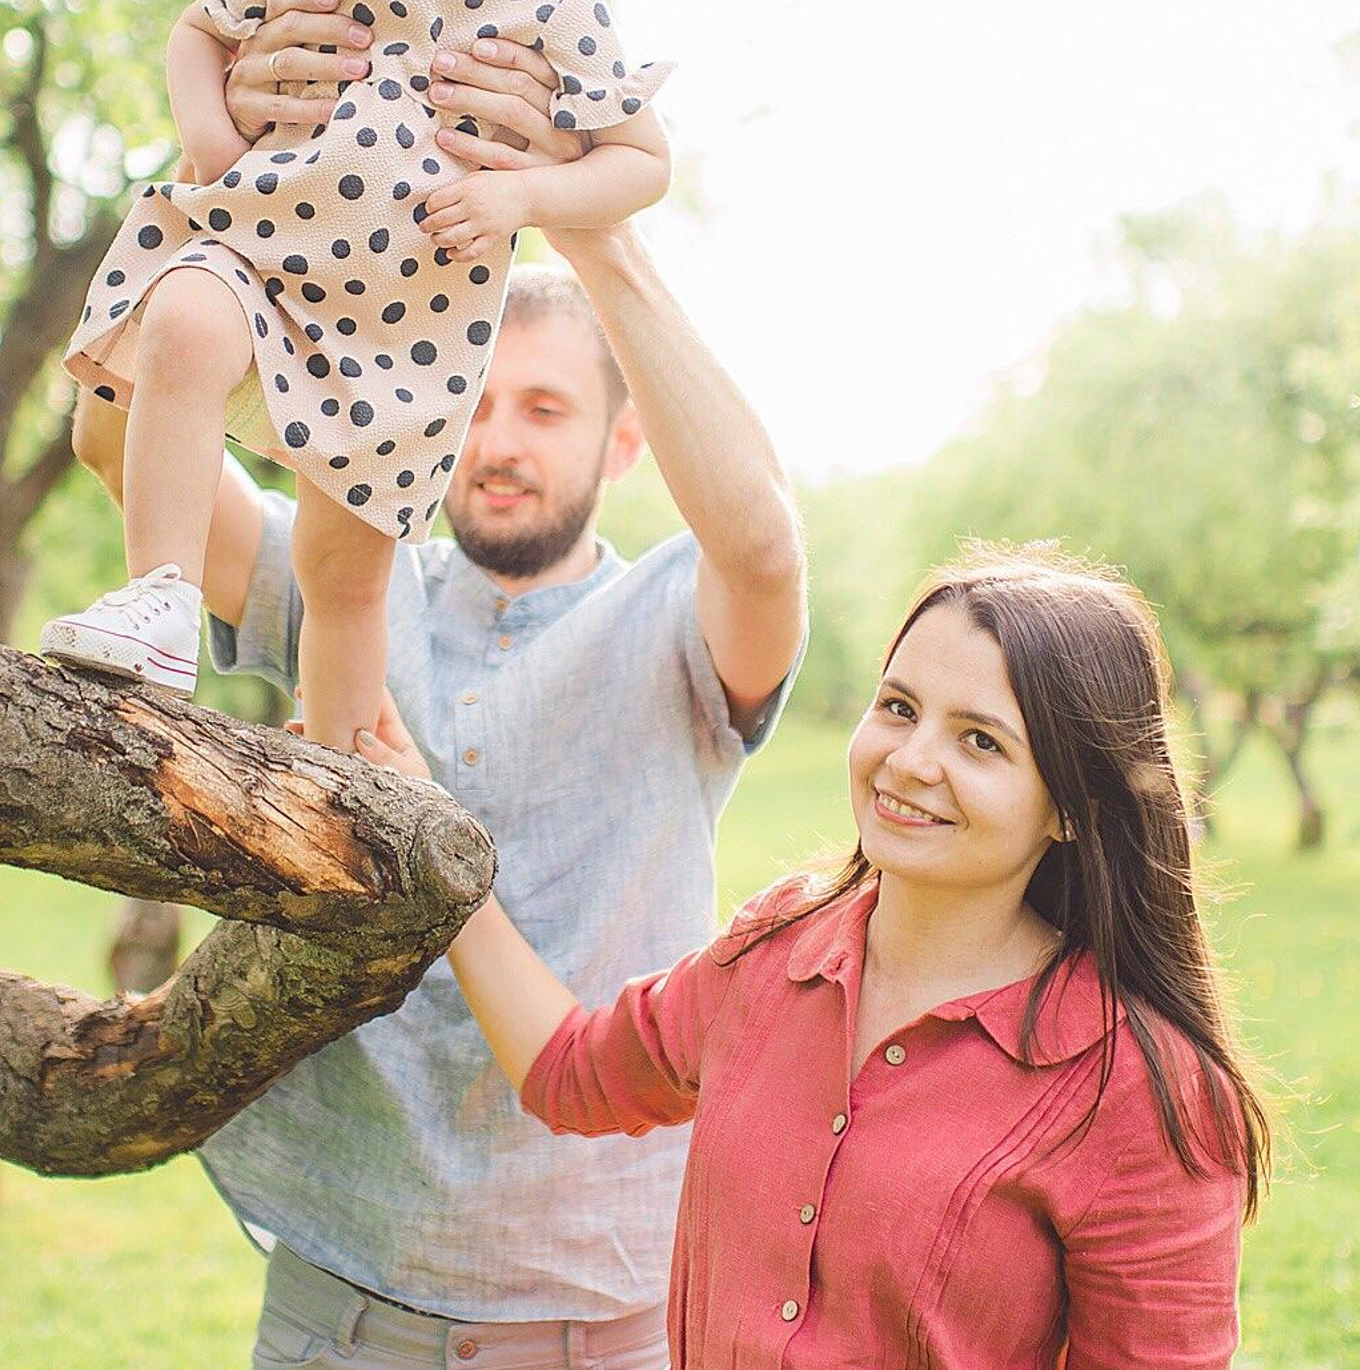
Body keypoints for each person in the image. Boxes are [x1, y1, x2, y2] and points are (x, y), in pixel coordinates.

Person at [68, 23, 807, 1366]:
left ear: (619, 440)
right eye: (470, 401)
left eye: (542, 408)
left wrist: (581, 216)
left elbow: (763, 544)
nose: (497, 443)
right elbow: (112, 424)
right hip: (341, 1292)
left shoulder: (670, 623)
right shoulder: (349, 574)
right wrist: (234, 170)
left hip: (593, 1311)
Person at [361, 544, 1270, 1370]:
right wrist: (433, 839)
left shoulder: (1145, 1092)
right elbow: (570, 1071)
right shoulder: (772, 954)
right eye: (899, 708)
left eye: (980, 741)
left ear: (1071, 805)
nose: (910, 761)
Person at [43, 0, 672, 748]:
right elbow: (198, 30)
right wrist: (213, 139)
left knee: (343, 569)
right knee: (187, 319)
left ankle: (333, 759)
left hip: (406, 325)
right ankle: (158, 599)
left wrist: (521, 191)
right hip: (261, 253)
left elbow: (639, 162)